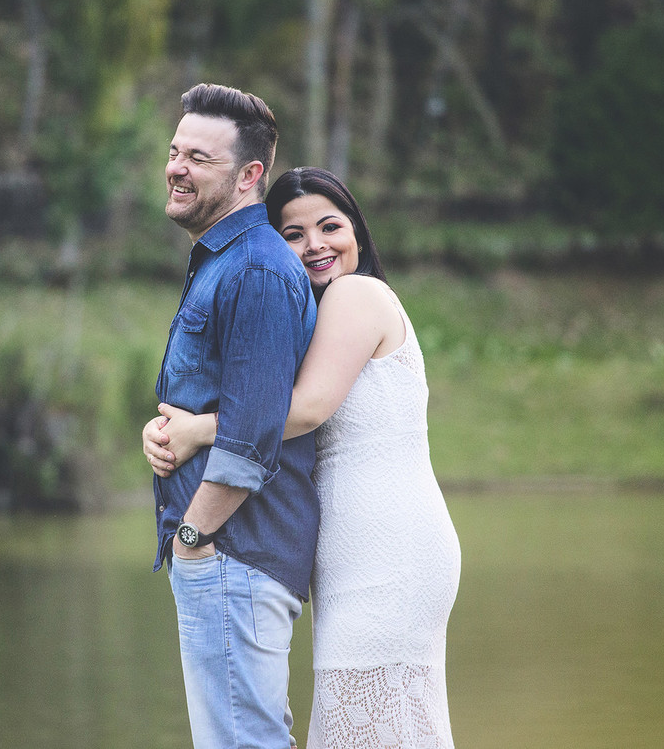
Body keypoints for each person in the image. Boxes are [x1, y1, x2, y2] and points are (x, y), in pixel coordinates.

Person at [145, 167, 462, 748]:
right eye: (293, 234)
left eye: (329, 226)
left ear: (358, 235)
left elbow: (307, 408)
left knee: (366, 721)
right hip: (354, 550)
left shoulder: (356, 294)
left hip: (387, 546)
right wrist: (168, 429)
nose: (314, 245)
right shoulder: (314, 316)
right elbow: (255, 395)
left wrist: (198, 432)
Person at [151, 84, 320, 748]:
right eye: (174, 151)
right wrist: (163, 433)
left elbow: (250, 436)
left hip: (232, 554)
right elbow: (218, 401)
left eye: (198, 157)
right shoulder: (226, 264)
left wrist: (193, 543)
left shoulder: (253, 270)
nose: (176, 167)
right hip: (226, 556)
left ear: (251, 175)